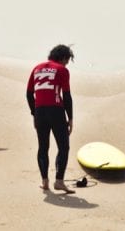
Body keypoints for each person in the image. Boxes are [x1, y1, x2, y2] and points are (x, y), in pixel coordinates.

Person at [26, 44, 75, 194]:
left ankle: (44, 181)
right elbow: (66, 96)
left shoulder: (36, 68)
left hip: (40, 112)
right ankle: (59, 181)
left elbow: (29, 94)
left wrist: (34, 113)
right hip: (56, 111)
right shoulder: (62, 70)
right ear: (63, 58)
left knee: (43, 147)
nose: (67, 64)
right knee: (64, 146)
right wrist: (70, 118)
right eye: (67, 61)